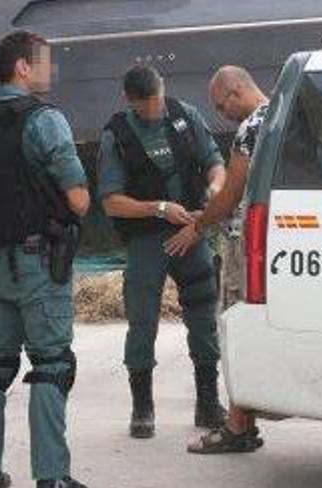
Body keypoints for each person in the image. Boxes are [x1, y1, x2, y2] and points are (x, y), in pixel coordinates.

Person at [0, 31, 92, 488]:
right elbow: (78, 199)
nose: (51, 71)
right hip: (39, 264)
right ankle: (52, 478)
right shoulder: (45, 120)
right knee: (53, 364)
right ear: (22, 68)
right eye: (45, 63)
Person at [98, 65, 228, 439]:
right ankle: (142, 408)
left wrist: (215, 193)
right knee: (142, 321)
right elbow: (111, 202)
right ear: (130, 101)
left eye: (157, 100)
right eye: (145, 105)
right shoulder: (116, 136)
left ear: (163, 88)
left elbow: (214, 163)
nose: (155, 109)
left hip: (192, 231)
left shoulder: (185, 114)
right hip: (147, 240)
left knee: (204, 315)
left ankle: (208, 402)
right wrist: (159, 208)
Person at [165, 65, 270, 454]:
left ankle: (238, 427)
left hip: (244, 245)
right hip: (269, 239)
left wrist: (199, 225)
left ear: (237, 90)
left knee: (235, 328)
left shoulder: (250, 128)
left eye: (220, 104)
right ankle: (245, 420)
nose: (221, 113)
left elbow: (230, 194)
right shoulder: (279, 116)